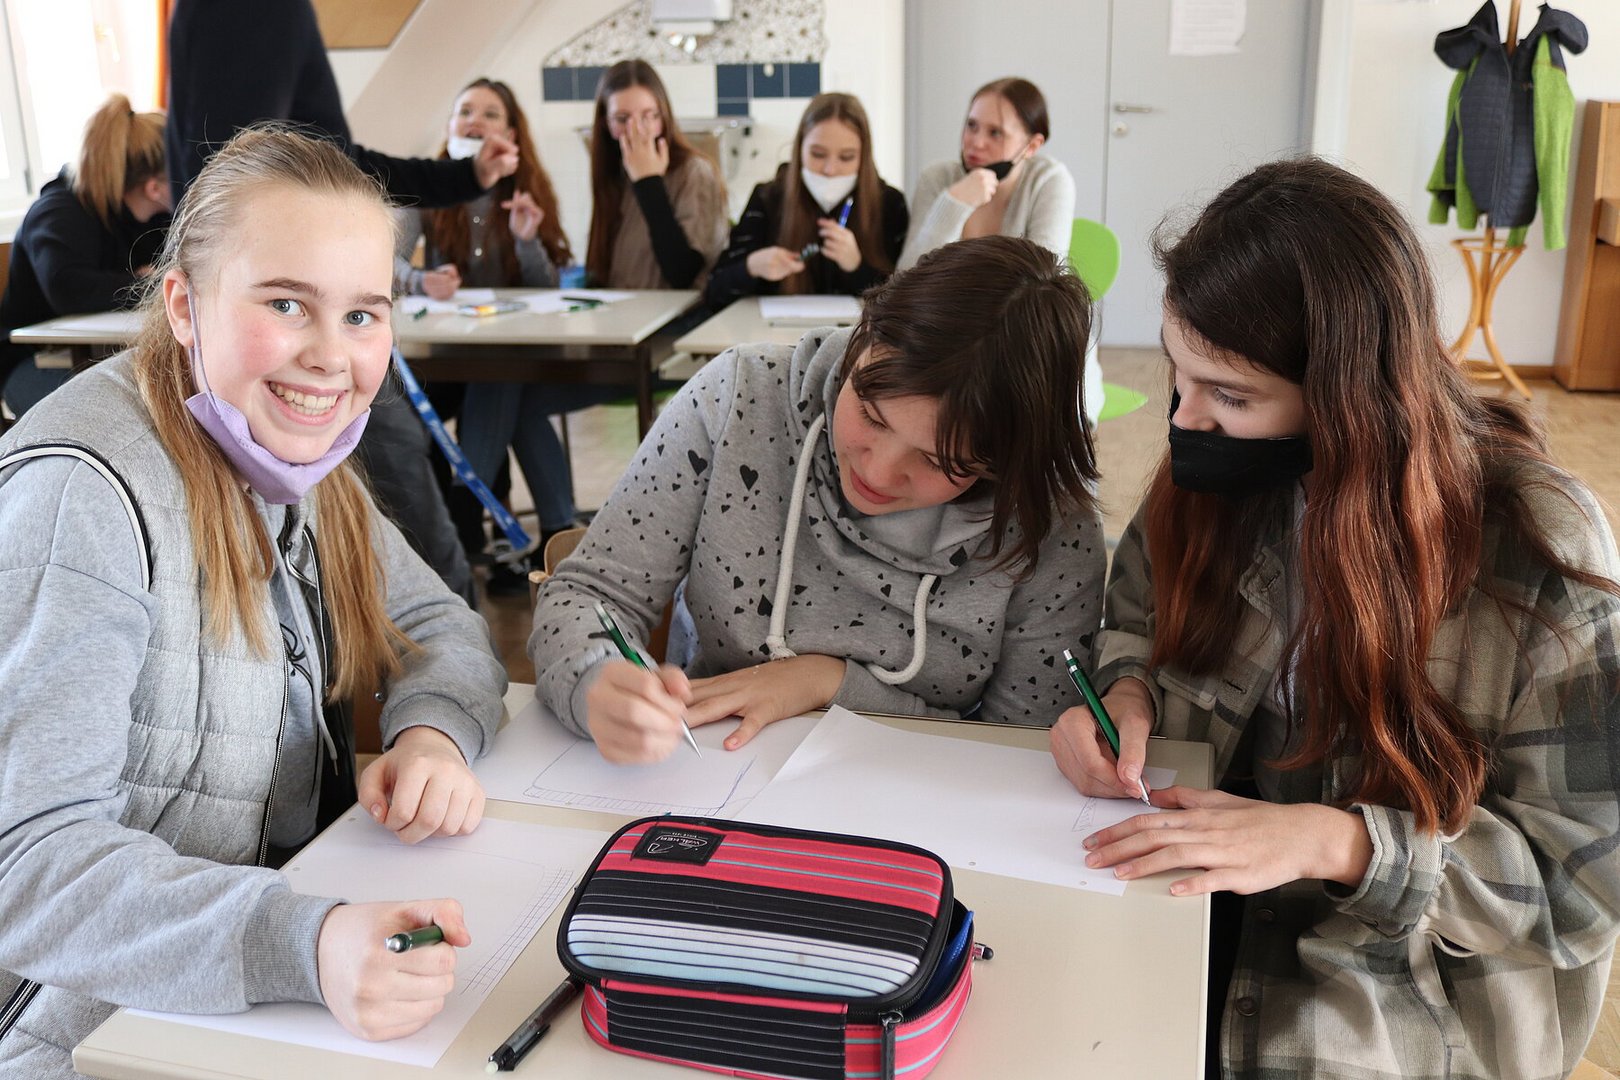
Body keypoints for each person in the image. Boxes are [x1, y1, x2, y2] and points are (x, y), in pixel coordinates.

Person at [1052, 158, 1620, 1080]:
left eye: (1231, 396)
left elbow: (1585, 885)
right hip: (1196, 893)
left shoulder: (1538, 549)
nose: (1185, 418)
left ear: (1348, 397)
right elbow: (1136, 610)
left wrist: (1339, 842)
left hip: (1407, 974)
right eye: (1177, 373)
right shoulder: (1221, 477)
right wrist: (1123, 693)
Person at [0, 128, 507, 1078]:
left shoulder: (295, 459)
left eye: (362, 315)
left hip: (261, 998)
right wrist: (301, 942)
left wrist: (431, 734)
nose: (331, 357)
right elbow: (28, 869)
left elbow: (438, 623)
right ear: (183, 306)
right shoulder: (83, 496)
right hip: (84, 1036)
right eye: (285, 304)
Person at [532, 235, 1105, 764]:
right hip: (710, 776)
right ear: (862, 337)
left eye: (938, 461)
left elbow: (1024, 750)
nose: (878, 471)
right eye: (871, 416)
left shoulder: (1049, 526)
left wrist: (828, 683)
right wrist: (594, 681)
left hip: (915, 808)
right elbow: (590, 592)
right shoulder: (738, 398)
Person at [166, 0, 523, 607]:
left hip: (268, 305)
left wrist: (463, 180)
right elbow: (227, 179)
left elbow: (337, 166)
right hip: (271, 310)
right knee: (400, 519)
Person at [394, 78, 572, 592]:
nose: (474, 121)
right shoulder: (427, 187)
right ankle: (524, 531)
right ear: (450, 126)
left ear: (511, 134)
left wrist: (527, 243)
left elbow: (548, 291)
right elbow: (385, 259)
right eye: (465, 111)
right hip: (445, 359)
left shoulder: (526, 190)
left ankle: (468, 515)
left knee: (501, 378)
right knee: (489, 387)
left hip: (514, 356)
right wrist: (420, 280)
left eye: (490, 114)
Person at [897, 78, 1100, 425]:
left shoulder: (1049, 180)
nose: (976, 142)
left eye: (995, 133)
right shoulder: (938, 178)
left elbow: (1043, 281)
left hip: (1024, 335)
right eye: (971, 125)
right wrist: (953, 204)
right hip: (951, 335)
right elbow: (905, 280)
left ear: (1032, 145)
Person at [1, 95, 170, 417]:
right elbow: (70, 289)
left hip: (111, 354)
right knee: (103, 415)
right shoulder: (58, 212)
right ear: (154, 187)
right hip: (34, 360)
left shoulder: (156, 220)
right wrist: (145, 282)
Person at [704, 92, 908, 309]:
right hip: (775, 328)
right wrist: (751, 267)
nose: (830, 170)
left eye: (846, 157)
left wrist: (858, 267)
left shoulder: (890, 204)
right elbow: (714, 291)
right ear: (800, 149)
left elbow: (905, 302)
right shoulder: (768, 198)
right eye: (818, 154)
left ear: (863, 157)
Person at [586, 59, 728, 291]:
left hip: (677, 310)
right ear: (605, 123)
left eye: (649, 115)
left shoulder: (695, 172)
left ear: (663, 117)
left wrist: (648, 183)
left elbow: (683, 273)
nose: (637, 130)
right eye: (622, 119)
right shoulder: (615, 174)